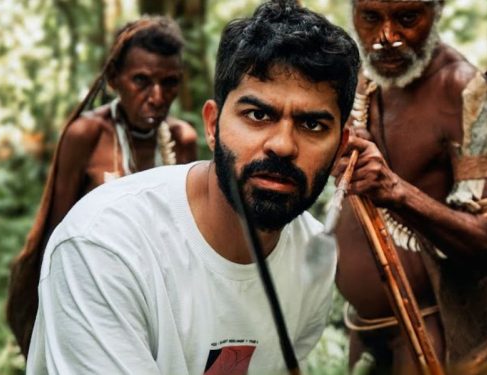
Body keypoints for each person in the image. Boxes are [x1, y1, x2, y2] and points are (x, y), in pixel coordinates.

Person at [25, 1, 363, 373]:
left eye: (313, 124)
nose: (282, 145)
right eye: (258, 115)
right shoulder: (103, 246)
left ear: (341, 144)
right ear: (213, 125)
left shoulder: (311, 256)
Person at [335, 1, 487, 373]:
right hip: (362, 330)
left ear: (437, 9)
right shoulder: (359, 79)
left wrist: (395, 190)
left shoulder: (465, 91)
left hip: (432, 332)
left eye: (407, 18)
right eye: (370, 18)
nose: (386, 38)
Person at [6, 16, 198, 356]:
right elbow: (57, 232)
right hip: (93, 293)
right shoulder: (87, 136)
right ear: (113, 80)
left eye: (170, 83)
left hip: (159, 296)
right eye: (142, 81)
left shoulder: (180, 141)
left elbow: (186, 235)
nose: (157, 96)